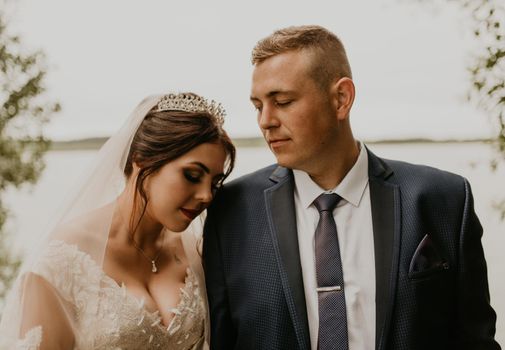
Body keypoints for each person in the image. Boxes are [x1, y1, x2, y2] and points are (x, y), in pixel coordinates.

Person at [203, 25, 500, 350]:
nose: (265, 121)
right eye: (258, 106)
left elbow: (476, 341)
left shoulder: (444, 199)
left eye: (283, 101)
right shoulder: (230, 211)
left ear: (341, 99)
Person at [0, 92, 235, 349]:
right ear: (142, 160)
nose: (206, 196)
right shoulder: (61, 263)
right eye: (191, 175)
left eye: (215, 183)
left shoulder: (196, 252)